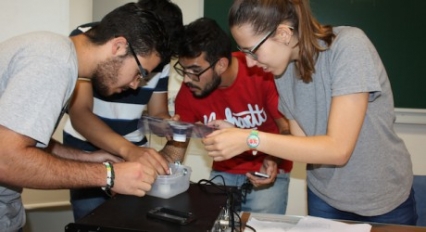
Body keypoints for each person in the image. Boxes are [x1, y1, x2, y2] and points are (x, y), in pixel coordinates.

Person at [202, 0, 418, 225]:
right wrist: (259, 146)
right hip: (324, 197)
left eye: (252, 51)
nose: (249, 61)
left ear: (284, 34)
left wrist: (250, 138)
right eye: (243, 52)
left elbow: (338, 149)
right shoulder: (281, 73)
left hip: (381, 199)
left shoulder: (349, 47)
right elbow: (301, 142)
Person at [0, 3, 171, 231]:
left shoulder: (57, 55)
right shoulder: (54, 63)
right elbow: (6, 160)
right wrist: (109, 175)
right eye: (140, 74)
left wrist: (87, 158)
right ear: (119, 46)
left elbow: (24, 142)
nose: (134, 85)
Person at [62, 0, 184, 221]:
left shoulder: (158, 58)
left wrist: (166, 124)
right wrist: (128, 150)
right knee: (93, 221)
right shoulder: (87, 41)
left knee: (133, 222)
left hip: (133, 154)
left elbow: (158, 112)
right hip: (88, 153)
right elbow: (80, 113)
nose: (137, 84)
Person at [168, 17, 292, 214]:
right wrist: (161, 160)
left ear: (221, 65)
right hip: (223, 173)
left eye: (195, 71)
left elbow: (288, 130)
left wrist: (273, 158)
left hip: (266, 172)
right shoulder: (189, 90)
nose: (186, 79)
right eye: (183, 70)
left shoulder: (261, 72)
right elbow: (177, 148)